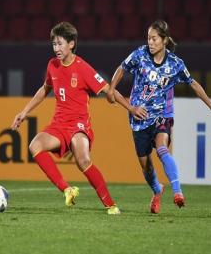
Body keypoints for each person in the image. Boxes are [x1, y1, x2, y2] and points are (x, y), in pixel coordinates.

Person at [107, 20, 211, 214]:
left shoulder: (176, 64)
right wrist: (112, 89)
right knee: (146, 166)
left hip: (162, 114)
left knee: (162, 148)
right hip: (139, 117)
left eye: (154, 39)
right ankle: (157, 189)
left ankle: (177, 192)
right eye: (148, 38)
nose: (150, 42)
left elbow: (193, 83)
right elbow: (121, 68)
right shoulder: (140, 54)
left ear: (164, 40)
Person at [11, 22, 127, 215]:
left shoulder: (82, 68)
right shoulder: (52, 65)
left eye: (60, 44)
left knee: (82, 161)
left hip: (79, 124)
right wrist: (24, 112)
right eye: (54, 44)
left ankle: (110, 204)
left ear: (71, 44)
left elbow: (109, 90)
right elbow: (44, 89)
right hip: (59, 123)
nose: (56, 48)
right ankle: (67, 189)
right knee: (35, 145)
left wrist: (130, 108)